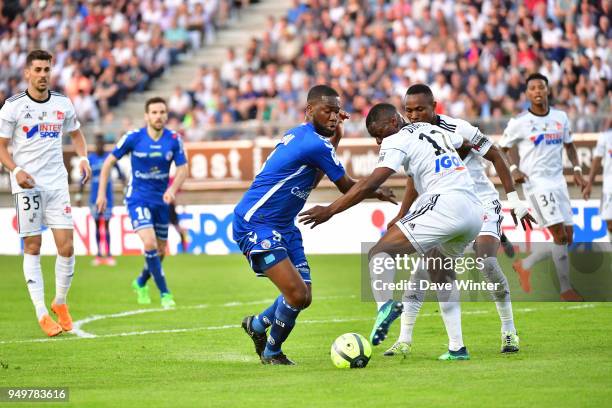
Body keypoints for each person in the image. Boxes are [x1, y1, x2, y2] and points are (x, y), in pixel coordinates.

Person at [300, 103, 531, 360]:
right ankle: (457, 348)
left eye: (378, 133)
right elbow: (459, 147)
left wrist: (330, 210)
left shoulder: (395, 139)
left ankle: (385, 306)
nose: (378, 141)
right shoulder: (432, 129)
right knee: (438, 269)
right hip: (473, 211)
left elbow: (370, 182)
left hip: (445, 203)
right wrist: (402, 214)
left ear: (391, 123)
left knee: (379, 253)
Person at [235, 85, 395, 365]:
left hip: (283, 226)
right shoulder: (313, 144)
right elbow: (345, 186)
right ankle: (272, 352)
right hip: (256, 222)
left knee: (303, 296)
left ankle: (258, 326)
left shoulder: (304, 136)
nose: (334, 116)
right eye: (327, 110)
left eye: (336, 111)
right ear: (309, 110)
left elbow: (320, 169)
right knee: (296, 295)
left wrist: (339, 136)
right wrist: (374, 190)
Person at [383, 84, 529, 356]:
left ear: (434, 107)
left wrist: (514, 199)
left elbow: (495, 154)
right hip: (446, 208)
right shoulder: (410, 136)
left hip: (481, 202)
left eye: (420, 109)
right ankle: (405, 338)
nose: (414, 115)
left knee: (486, 262)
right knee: (426, 270)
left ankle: (509, 330)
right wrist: (401, 214)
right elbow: (414, 179)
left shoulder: (458, 129)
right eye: (409, 110)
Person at [0, 49, 91, 337]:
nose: (42, 75)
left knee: (67, 248)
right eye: (37, 70)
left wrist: (84, 157)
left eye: (46, 70)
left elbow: (76, 134)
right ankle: (41, 312)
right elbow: (1, 146)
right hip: (27, 186)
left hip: (57, 185)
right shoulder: (13, 107)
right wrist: (16, 171)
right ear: (27, 72)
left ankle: (60, 302)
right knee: (33, 247)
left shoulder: (63, 104)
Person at [96, 97, 188, 308]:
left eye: (162, 112)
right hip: (137, 197)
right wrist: (102, 193)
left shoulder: (174, 139)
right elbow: (108, 163)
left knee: (161, 251)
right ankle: (165, 293)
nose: (159, 116)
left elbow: (183, 169)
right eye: (154, 112)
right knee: (149, 244)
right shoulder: (134, 138)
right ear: (146, 116)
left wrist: (172, 190)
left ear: (167, 115)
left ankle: (140, 282)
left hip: (161, 200)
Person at [501, 73, 586, 301]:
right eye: (533, 88)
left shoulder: (561, 117)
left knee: (567, 236)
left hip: (558, 182)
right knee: (558, 234)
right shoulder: (519, 122)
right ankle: (566, 289)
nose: (538, 91)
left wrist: (577, 170)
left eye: (541, 87)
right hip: (536, 184)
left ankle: (524, 265)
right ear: (528, 94)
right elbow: (502, 148)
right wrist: (514, 169)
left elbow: (569, 146)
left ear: (548, 90)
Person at [77, 134, 125, 266]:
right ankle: (98, 254)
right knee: (97, 225)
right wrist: (79, 196)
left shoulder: (109, 157)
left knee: (108, 225)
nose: (99, 146)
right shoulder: (90, 159)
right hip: (94, 197)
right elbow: (83, 178)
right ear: (95, 145)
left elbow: (120, 172)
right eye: (97, 144)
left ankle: (108, 254)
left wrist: (125, 187)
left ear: (103, 144)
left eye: (101, 144)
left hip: (108, 196)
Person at [583, 129, 612, 242]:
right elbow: (597, 161)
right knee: (610, 224)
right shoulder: (605, 136)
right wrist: (589, 184)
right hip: (610, 187)